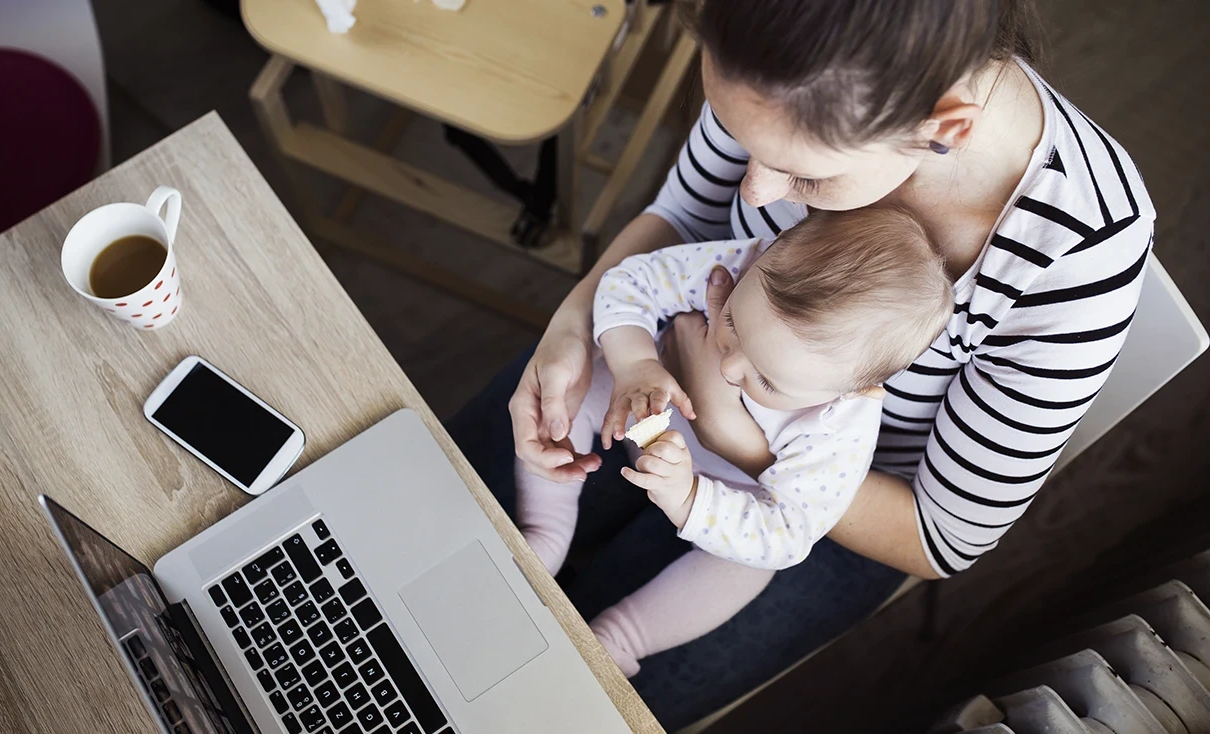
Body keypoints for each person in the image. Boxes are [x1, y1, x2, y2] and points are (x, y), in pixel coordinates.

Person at [446, 0, 1154, 726]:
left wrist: (738, 439)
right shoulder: (778, 45)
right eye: (746, 140)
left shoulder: (1082, 246)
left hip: (831, 506)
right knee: (441, 538)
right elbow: (688, 216)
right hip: (667, 351)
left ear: (943, 128)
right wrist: (572, 326)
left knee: (556, 703)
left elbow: (943, 534)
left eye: (803, 175)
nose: (753, 191)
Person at [515, 208, 953, 675]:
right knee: (570, 395)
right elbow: (629, 281)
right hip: (646, 402)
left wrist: (689, 498)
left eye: (765, 379)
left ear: (852, 390)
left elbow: (788, 530)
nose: (727, 368)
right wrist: (634, 364)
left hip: (730, 489)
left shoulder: (842, 424)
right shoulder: (744, 263)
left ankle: (621, 637)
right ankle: (545, 531)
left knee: (750, 566)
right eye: (733, 326)